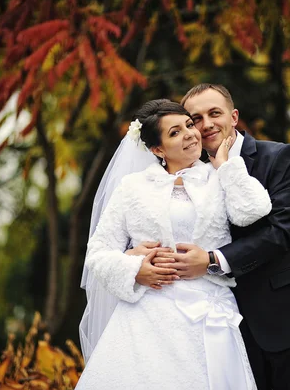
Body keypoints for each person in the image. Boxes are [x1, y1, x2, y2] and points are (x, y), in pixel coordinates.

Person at [77, 99, 273, 390]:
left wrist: (227, 167)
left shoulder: (219, 177)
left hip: (209, 315)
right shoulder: (133, 187)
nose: (190, 134)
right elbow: (98, 252)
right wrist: (135, 268)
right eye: (174, 133)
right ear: (157, 150)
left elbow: (254, 209)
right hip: (147, 318)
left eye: (189, 125)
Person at [148, 84, 290, 390]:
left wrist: (211, 261)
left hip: (288, 318)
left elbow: (280, 232)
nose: (206, 124)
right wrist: (136, 254)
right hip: (225, 330)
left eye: (214, 113)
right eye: (195, 119)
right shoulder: (192, 175)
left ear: (234, 117)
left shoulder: (281, 158)